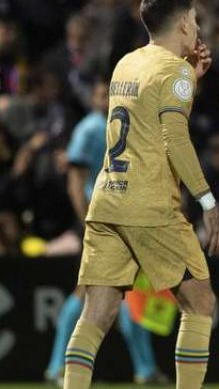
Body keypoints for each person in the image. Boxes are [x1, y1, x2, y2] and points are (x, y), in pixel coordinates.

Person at [62, 0, 219, 389]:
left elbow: (149, 117)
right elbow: (175, 138)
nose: (198, 29)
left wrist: (191, 79)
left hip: (107, 201)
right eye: (196, 21)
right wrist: (207, 201)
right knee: (200, 303)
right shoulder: (173, 72)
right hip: (150, 205)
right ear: (184, 24)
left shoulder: (127, 63)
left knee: (96, 315)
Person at [46, 80, 166, 386]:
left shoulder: (125, 123)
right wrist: (88, 221)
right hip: (97, 219)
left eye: (109, 93)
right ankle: (57, 366)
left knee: (129, 293)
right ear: (92, 98)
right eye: (101, 94)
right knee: (86, 292)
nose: (106, 99)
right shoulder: (89, 128)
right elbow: (75, 181)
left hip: (122, 218)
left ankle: (145, 369)